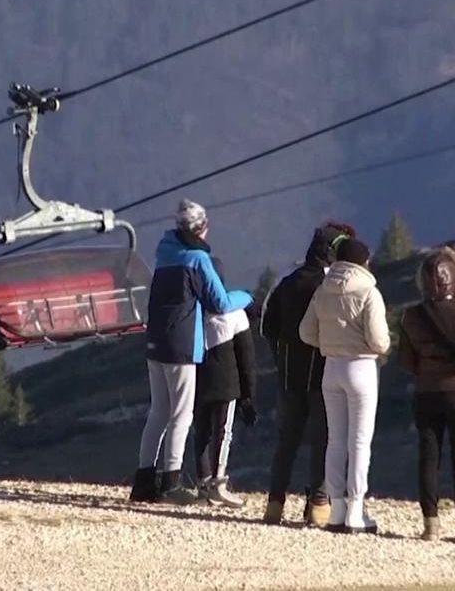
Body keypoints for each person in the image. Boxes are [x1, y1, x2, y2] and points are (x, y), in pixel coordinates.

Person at [130, 199, 253, 505]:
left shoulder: (164, 254)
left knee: (158, 411)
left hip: (155, 340)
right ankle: (171, 483)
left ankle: (144, 482)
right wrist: (248, 296)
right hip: (181, 344)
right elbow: (220, 303)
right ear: (201, 229)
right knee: (181, 415)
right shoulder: (197, 260)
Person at [259, 221, 356, 526]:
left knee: (286, 441)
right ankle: (318, 504)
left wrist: (282, 358)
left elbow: (266, 328)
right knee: (323, 439)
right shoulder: (332, 287)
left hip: (289, 375)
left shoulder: (286, 283)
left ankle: (274, 504)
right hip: (323, 375)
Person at [398, 246, 455, 544]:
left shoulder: (411, 316)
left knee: (429, 456)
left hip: (426, 392)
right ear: (453, 280)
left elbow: (405, 362)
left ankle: (431, 525)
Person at [299, 237, 389, 534]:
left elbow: (306, 332)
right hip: (361, 367)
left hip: (331, 368)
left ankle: (336, 510)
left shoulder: (322, 291)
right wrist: (381, 348)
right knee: (359, 441)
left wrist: (329, 343)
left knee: (335, 440)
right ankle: (356, 510)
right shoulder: (368, 292)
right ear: (363, 262)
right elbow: (378, 340)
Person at [193, 256, 259, 508]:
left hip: (198, 381)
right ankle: (218, 483)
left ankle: (202, 485)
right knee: (223, 432)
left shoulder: (193, 312)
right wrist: (249, 397)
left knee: (201, 432)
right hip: (226, 384)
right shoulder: (235, 313)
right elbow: (247, 360)